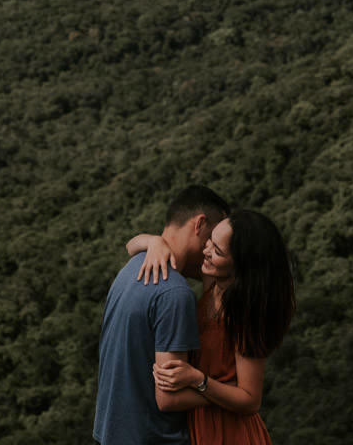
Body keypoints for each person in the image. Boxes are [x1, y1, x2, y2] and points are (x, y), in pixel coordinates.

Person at [130, 209, 296, 445]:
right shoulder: (213, 281)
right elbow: (131, 244)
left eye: (217, 251)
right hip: (202, 422)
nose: (205, 251)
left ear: (241, 265)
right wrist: (154, 242)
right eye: (209, 241)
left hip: (230, 431)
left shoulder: (244, 314)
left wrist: (197, 379)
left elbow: (250, 400)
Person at [93, 185, 231, 445]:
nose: (211, 252)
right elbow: (169, 397)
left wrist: (151, 240)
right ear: (200, 224)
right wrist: (234, 394)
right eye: (213, 241)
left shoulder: (132, 267)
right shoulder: (175, 294)